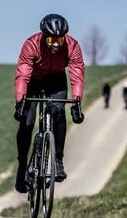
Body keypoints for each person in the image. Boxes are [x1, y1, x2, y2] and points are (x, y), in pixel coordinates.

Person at [13, 13, 85, 193]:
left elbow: (77, 75)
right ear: (44, 36)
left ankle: (58, 161)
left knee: (58, 112)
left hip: (56, 80)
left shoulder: (72, 46)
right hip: (34, 81)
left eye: (59, 39)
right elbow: (23, 75)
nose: (55, 43)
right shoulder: (31, 44)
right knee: (27, 122)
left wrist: (77, 103)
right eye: (51, 39)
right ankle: (22, 167)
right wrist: (20, 101)